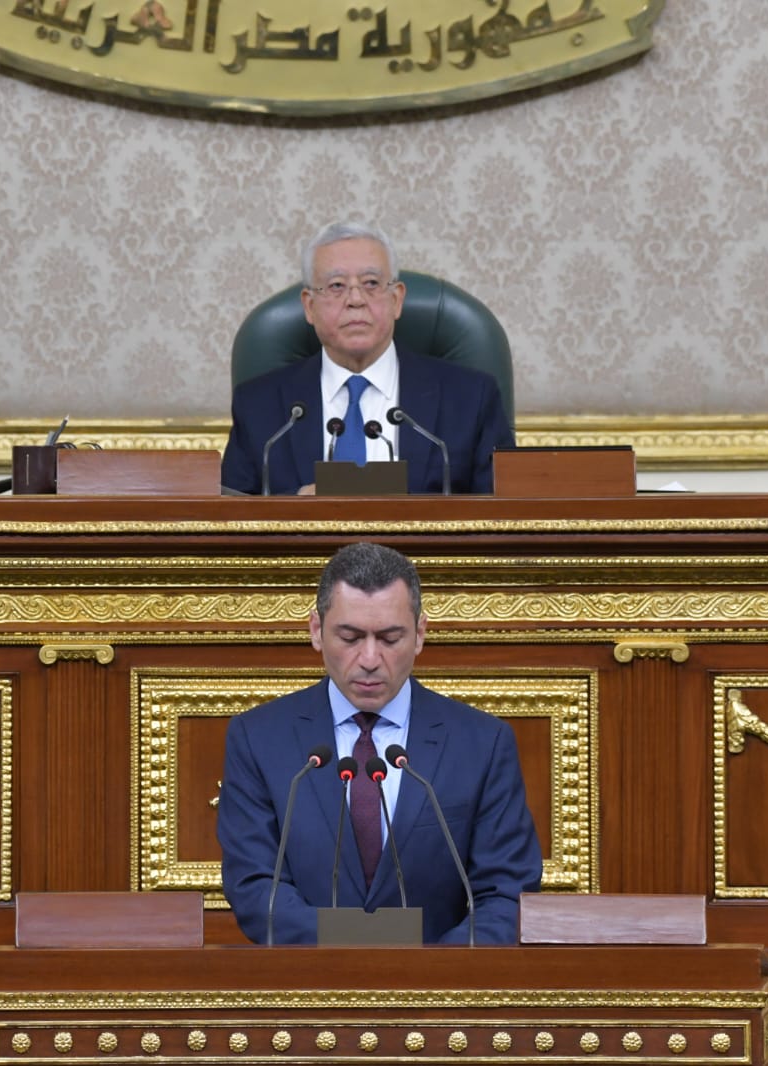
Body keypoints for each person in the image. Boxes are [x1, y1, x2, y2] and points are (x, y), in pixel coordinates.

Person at [217, 542, 542, 944]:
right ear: (316, 631)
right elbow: (254, 886)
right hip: (308, 978)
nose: (369, 659)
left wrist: (428, 971)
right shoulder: (258, 738)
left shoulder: (482, 743)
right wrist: (357, 949)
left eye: (389, 638)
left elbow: (506, 893)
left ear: (420, 635)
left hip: (442, 981)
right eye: (350, 637)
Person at [221, 222, 514, 495]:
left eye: (371, 283)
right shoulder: (258, 407)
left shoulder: (470, 399)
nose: (356, 299)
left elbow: (505, 517)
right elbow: (229, 518)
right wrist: (293, 511)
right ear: (309, 307)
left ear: (396, 300)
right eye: (337, 286)